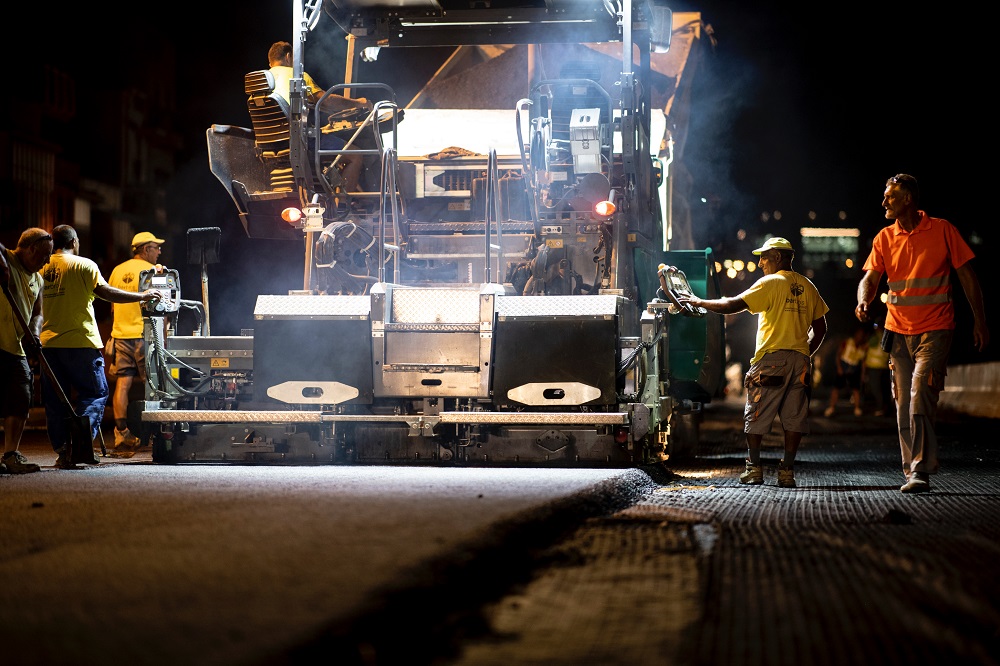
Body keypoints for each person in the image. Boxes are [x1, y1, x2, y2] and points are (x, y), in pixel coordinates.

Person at [856, 174, 989, 494]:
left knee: (919, 395)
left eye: (890, 197)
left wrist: (980, 320)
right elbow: (871, 278)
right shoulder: (884, 238)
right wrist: (863, 298)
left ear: (909, 200)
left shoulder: (943, 230)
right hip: (897, 332)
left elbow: (968, 278)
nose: (884, 202)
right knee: (902, 403)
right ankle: (911, 469)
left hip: (936, 329)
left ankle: (920, 470)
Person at [678, 237, 828, 488]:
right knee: (794, 419)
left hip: (771, 361)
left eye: (764, 257)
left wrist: (699, 302)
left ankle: (754, 468)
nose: (760, 263)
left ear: (778, 258)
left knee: (756, 414)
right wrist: (805, 354)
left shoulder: (770, 283)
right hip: (800, 362)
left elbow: (732, 304)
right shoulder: (808, 285)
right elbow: (821, 329)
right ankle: (787, 471)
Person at [40, 225, 163, 466]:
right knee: (95, 393)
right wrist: (142, 296)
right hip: (81, 342)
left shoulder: (41, 267)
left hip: (49, 345)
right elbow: (107, 293)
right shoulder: (84, 265)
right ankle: (83, 447)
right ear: (74, 241)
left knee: (56, 400)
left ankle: (63, 451)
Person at [267, 40, 367, 194]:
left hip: (271, 145)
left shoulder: (262, 81)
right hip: (301, 141)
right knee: (355, 156)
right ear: (288, 57)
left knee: (333, 156)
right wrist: (358, 103)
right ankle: (342, 208)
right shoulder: (297, 77)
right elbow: (325, 102)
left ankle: (333, 198)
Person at [0, 228, 52, 474]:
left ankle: (11, 454)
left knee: (21, 397)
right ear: (31, 249)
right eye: (44, 255)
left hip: (17, 347)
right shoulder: (7, 259)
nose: (47, 261)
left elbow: (38, 313)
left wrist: (35, 332)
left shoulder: (38, 280)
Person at [107, 231, 164, 453]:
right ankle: (156, 434)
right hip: (144, 334)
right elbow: (161, 306)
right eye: (155, 247)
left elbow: (112, 305)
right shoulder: (151, 271)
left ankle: (122, 434)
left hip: (120, 334)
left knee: (123, 384)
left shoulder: (117, 270)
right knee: (152, 385)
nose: (159, 251)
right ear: (145, 249)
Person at [823, 325, 868, 418]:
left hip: (854, 367)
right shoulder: (847, 342)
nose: (860, 336)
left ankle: (857, 408)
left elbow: (863, 361)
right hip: (844, 364)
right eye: (858, 334)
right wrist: (839, 367)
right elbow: (838, 355)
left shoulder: (864, 346)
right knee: (836, 388)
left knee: (856, 389)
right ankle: (831, 408)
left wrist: (863, 374)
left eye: (862, 335)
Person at [862, 319, 891, 417]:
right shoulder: (886, 336)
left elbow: (865, 348)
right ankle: (884, 407)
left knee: (876, 388)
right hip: (883, 366)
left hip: (874, 366)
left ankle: (880, 408)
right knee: (883, 388)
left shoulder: (874, 337)